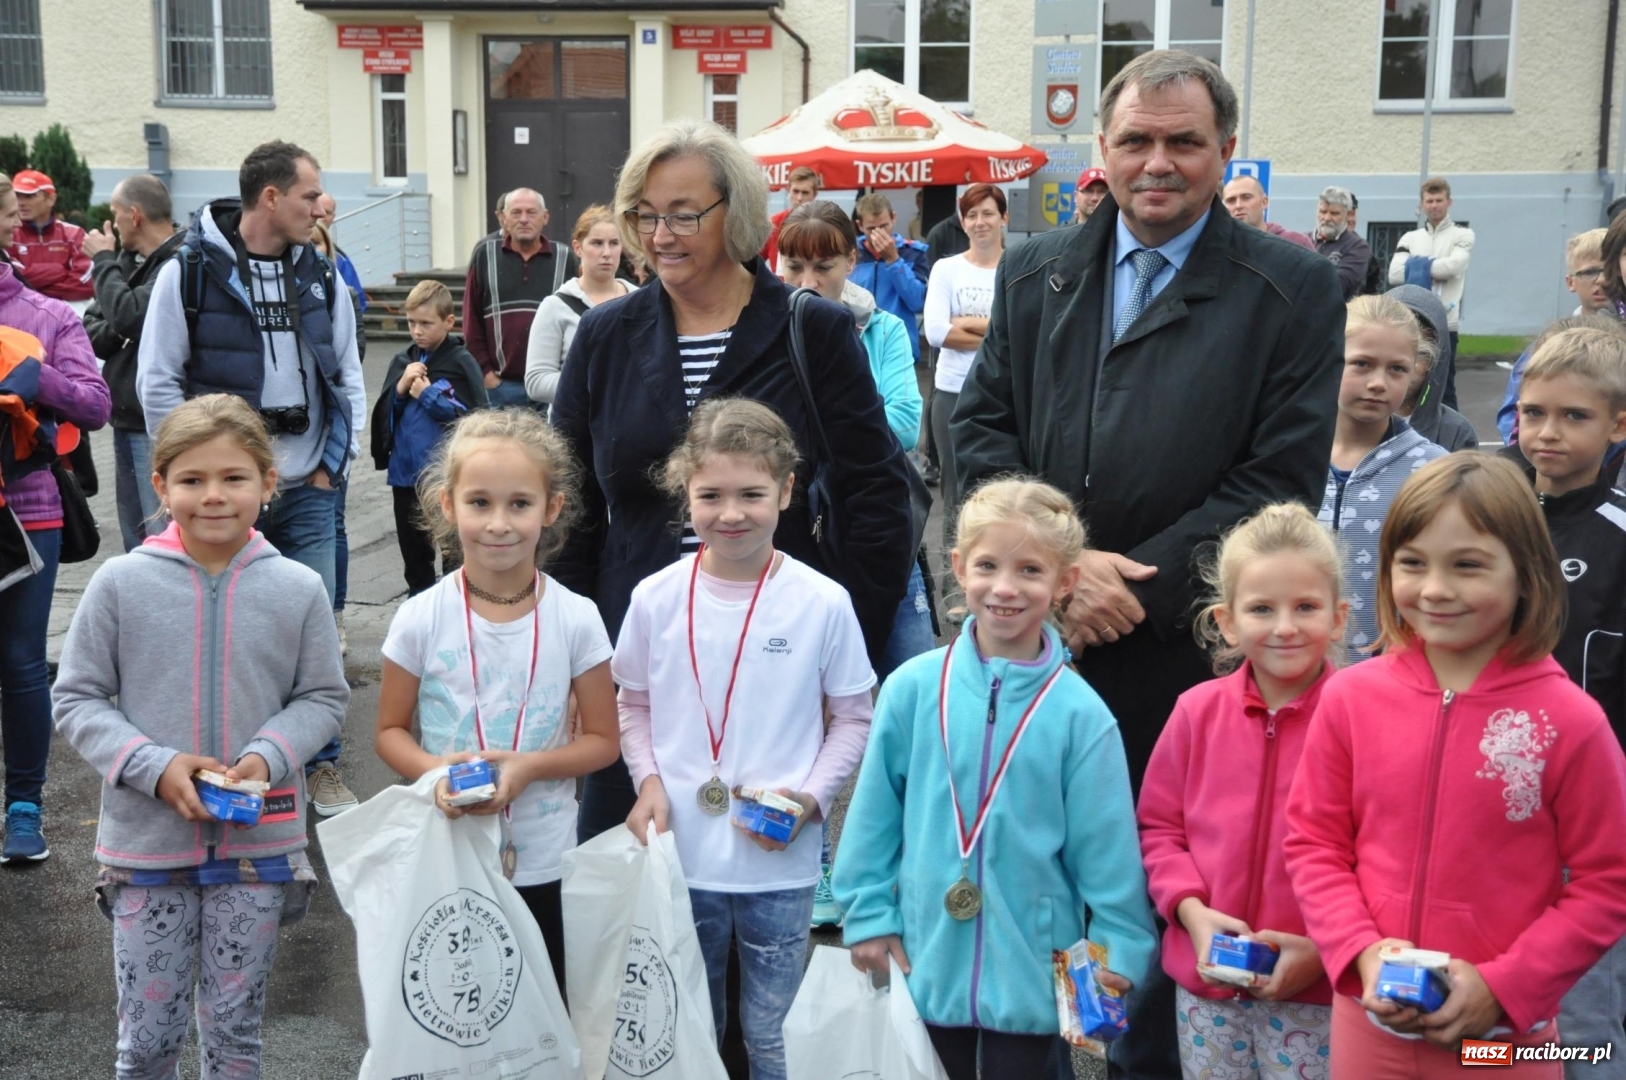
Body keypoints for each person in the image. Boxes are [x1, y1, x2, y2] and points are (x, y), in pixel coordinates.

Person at [950, 51, 1343, 1080]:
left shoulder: (1291, 287)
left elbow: (1280, 477)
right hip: (1037, 646)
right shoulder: (1038, 271)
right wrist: (1062, 571)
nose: (1156, 162)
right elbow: (980, 428)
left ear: (1224, 152)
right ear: (1103, 151)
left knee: (1164, 901)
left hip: (1182, 662)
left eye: (1182, 142)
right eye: (1135, 140)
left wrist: (1131, 587)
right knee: (1034, 888)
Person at [550, 117, 913, 844]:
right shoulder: (605, 335)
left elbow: (877, 500)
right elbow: (573, 512)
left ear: (737, 214)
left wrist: (840, 663)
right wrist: (573, 661)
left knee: (750, 881)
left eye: (684, 214)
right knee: (625, 887)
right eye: (646, 215)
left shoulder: (812, 332)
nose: (661, 234)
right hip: (639, 664)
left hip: (774, 658)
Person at [1285, 453, 1626, 1074]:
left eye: (1467, 565)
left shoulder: (1572, 723)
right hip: (1367, 1030)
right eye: (1412, 563)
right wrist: (1360, 954)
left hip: (1502, 1043)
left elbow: (1608, 882)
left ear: (1527, 574)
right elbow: (1314, 842)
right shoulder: (1350, 697)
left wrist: (1505, 986)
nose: (1435, 588)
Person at [52, 395, 347, 1076]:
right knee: (148, 1042)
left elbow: (323, 697)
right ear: (160, 486)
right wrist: (153, 766)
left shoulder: (299, 588)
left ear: (268, 484)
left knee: (236, 1039)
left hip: (258, 847)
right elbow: (76, 697)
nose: (213, 495)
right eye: (191, 480)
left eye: (234, 477)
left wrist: (264, 757)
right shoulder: (119, 584)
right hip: (147, 849)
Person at [834, 477, 1156, 1080]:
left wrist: (1117, 949)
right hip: (922, 956)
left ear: (1065, 582)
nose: (1005, 588)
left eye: (1030, 570)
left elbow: (1108, 854)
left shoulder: (1081, 716)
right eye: (987, 565)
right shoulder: (912, 688)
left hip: (1033, 971)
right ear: (958, 567)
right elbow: (874, 814)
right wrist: (869, 913)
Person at [615, 398, 876, 1080]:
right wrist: (647, 781)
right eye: (711, 495)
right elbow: (634, 702)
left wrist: (812, 801)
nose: (731, 513)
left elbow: (853, 716)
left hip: (778, 859)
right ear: (685, 494)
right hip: (680, 856)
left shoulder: (822, 601)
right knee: (691, 1024)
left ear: (787, 491)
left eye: (752, 494)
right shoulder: (654, 598)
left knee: (775, 1032)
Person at [137, 139, 366, 818]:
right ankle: (221, 767)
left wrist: (333, 467)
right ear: (271, 197)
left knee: (314, 632)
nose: (319, 206)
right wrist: (190, 476)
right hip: (223, 503)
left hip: (307, 493)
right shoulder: (191, 272)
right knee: (221, 635)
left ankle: (319, 767)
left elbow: (349, 374)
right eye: (308, 195)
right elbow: (158, 379)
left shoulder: (323, 275)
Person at [376, 407, 620, 999]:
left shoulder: (577, 618)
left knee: (541, 1011)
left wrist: (529, 766)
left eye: (520, 504)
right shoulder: (419, 618)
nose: (499, 524)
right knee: (458, 1012)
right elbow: (389, 731)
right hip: (445, 854)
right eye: (479, 503)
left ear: (552, 509)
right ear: (447, 505)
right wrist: (440, 774)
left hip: (544, 861)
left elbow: (603, 741)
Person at [1138, 503, 1346, 1078]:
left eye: (1305, 606)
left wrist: (1326, 952)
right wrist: (1190, 912)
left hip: (1317, 998)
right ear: (1227, 621)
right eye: (1261, 608)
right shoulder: (1195, 712)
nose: (1284, 626)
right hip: (1207, 992)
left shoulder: (1362, 722)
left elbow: (1385, 856)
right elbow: (1159, 829)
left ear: (1339, 617)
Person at [777, 197, 932, 928]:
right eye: (795, 263)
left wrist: (833, 381)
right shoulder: (771, 326)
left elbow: (904, 422)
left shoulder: (883, 327)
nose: (809, 279)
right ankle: (822, 869)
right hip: (804, 549)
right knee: (807, 719)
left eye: (825, 264)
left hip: (882, 547)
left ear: (852, 262)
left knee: (915, 708)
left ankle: (907, 864)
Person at [1501, 326, 1626, 1070]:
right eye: (1533, 412)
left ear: (1619, 424)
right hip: (1491, 810)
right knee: (1493, 1012)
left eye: (1573, 417)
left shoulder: (1618, 536)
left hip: (1588, 824)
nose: (1545, 433)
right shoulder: (1487, 515)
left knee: (1581, 1016)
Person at [0, 199, 111, 865]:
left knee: (18, 662)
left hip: (28, 510)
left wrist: (38, 378)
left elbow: (95, 405)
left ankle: (23, 808)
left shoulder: (47, 315)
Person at [1317, 294, 1448, 659]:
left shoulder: (1435, 472)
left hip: (1393, 683)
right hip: (1290, 679)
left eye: (1397, 369)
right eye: (1361, 364)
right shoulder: (1283, 456)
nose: (1379, 382)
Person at [81, 174, 183, 553]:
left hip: (152, 422)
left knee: (158, 535)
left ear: (134, 215)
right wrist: (117, 267)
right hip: (124, 416)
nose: (112, 222)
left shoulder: (178, 260)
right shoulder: (134, 261)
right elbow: (93, 331)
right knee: (135, 538)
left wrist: (104, 261)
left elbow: (127, 316)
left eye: (115, 213)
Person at [374, 279, 488, 595]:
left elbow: (472, 418)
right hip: (406, 477)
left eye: (426, 323)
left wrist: (426, 395)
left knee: (454, 554)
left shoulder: (460, 361)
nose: (417, 331)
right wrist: (399, 389)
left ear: (448, 322)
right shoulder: (403, 359)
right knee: (415, 557)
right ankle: (418, 614)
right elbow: (385, 415)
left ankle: (455, 609)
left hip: (446, 477)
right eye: (412, 322)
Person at [924, 183, 1005, 559]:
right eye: (972, 214)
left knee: (1001, 492)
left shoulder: (1016, 266)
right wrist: (995, 333)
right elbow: (938, 331)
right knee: (956, 493)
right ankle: (956, 592)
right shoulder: (947, 268)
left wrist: (966, 322)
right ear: (962, 221)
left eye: (988, 213)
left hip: (1003, 392)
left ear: (1004, 218)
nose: (980, 221)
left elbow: (1022, 333)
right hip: (953, 392)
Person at [462, 187, 578, 409]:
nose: (524, 219)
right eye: (516, 213)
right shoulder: (485, 255)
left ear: (545, 217)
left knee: (553, 445)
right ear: (504, 218)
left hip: (551, 386)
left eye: (531, 212)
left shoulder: (565, 258)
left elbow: (578, 319)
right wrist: (487, 374)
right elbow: (471, 320)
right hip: (501, 388)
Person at [1497, 229, 1613, 442]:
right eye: (1589, 272)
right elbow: (1513, 411)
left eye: (1610, 270)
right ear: (1570, 282)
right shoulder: (1550, 343)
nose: (1602, 281)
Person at [309, 220, 363, 655]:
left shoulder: (334, 291)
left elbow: (351, 368)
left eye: (316, 243)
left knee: (335, 528)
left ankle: (335, 616)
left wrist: (340, 457)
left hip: (327, 450)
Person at [524, 204, 634, 406]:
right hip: (577, 426)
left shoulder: (640, 301)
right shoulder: (555, 307)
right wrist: (598, 383)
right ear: (577, 248)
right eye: (597, 243)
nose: (607, 252)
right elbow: (536, 381)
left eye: (614, 243)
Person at [1388, 177, 1474, 407]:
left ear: (1449, 202)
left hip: (1446, 323)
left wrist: (1416, 265)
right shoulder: (1411, 238)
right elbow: (1394, 274)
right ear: (1422, 203)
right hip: (1413, 322)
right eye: (1429, 200)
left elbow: (1454, 267)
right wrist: (1436, 265)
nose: (1434, 205)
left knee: (1444, 386)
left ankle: (1450, 440)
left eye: (1439, 200)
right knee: (1410, 382)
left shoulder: (1463, 235)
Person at [1389, 285, 1481, 452]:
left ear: (1436, 360)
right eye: (1390, 353)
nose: (1405, 365)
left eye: (1420, 354)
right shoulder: (1339, 422)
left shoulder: (1454, 432)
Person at [853, 192, 931, 362]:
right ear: (860, 225)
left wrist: (894, 260)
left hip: (899, 347)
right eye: (871, 229)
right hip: (857, 348)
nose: (878, 234)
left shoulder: (914, 252)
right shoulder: (849, 253)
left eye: (884, 226)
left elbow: (918, 301)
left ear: (893, 218)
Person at [6, 168, 93, 308]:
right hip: (22, 313)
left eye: (29, 196)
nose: (20, 202)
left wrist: (34, 290)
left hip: (69, 315)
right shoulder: (6, 234)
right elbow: (11, 279)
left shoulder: (75, 234)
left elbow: (86, 284)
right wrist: (59, 270)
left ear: (51, 199)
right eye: (17, 196)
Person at [1221, 174, 1313, 250]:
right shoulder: (1218, 246)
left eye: (1246, 197)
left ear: (1264, 202)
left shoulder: (1296, 242)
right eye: (1231, 200)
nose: (1238, 206)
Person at [1313, 186, 1371, 302]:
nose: (1327, 218)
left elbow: (1339, 285)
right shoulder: (1303, 240)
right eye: (1323, 211)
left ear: (1348, 215)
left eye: (1334, 213)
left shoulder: (1358, 247)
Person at [761, 165, 820, 274]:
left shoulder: (823, 226)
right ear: (788, 191)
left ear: (814, 194)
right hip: (780, 288)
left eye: (805, 192)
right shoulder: (774, 223)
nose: (799, 198)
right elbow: (755, 260)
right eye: (795, 191)